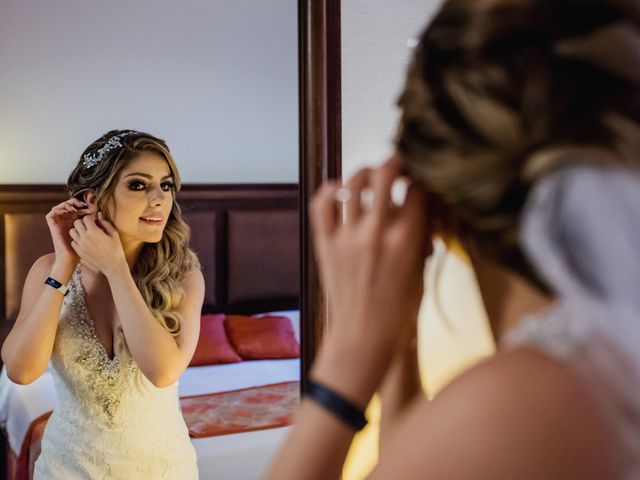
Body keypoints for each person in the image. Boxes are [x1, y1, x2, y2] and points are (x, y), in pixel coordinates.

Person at [266, 0, 640, 478]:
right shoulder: (595, 367)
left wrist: (346, 361)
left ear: (433, 199)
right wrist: (399, 347)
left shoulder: (520, 402)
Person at [1, 130, 204, 479]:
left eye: (166, 186)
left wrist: (115, 268)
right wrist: (64, 264)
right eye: (139, 185)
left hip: (163, 469)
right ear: (93, 198)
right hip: (67, 467)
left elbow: (163, 371)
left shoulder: (183, 276)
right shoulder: (48, 270)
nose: (158, 199)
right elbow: (21, 372)